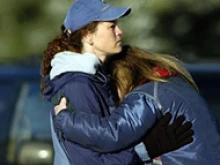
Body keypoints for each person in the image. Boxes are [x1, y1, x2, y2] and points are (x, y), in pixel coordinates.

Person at [41, 0, 193, 164]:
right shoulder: (78, 85)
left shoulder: (95, 79)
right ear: (88, 36)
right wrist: (146, 149)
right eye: (111, 26)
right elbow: (91, 162)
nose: (120, 31)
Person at [54, 45, 220, 165]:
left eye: (110, 87)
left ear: (121, 77)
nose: (111, 98)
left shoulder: (145, 96)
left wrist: (65, 119)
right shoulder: (174, 84)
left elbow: (112, 133)